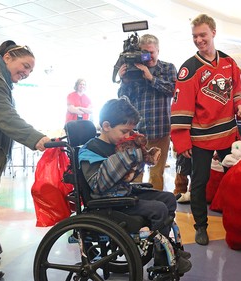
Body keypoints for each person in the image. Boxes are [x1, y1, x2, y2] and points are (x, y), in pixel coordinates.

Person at [78, 97, 191, 273]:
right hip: (106, 202)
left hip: (123, 195)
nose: (128, 136)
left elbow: (126, 176)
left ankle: (167, 248)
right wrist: (131, 156)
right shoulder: (90, 150)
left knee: (168, 198)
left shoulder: (117, 144)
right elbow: (99, 184)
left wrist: (141, 160)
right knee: (159, 209)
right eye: (124, 131)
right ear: (106, 126)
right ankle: (161, 259)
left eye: (131, 131)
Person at [170, 14, 241, 245]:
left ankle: (239, 220)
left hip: (228, 133)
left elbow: (237, 90)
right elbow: (180, 107)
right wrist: (182, 142)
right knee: (200, 183)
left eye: (203, 35)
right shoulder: (189, 68)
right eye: (195, 36)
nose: (199, 40)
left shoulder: (229, 62)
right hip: (201, 138)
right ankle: (200, 226)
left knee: (237, 179)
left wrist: (240, 105)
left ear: (213, 32)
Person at [0, 40, 51, 279]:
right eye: (25, 65)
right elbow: (3, 113)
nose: (26, 73)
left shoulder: (2, 80)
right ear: (8, 56)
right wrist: (37, 138)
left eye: (30, 71)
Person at [117, 34, 177, 191]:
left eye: (152, 52)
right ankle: (137, 210)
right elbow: (123, 100)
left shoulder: (168, 68)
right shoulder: (132, 70)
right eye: (145, 52)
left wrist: (151, 78)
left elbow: (174, 91)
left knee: (157, 174)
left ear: (158, 50)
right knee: (135, 174)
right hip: (137, 132)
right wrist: (124, 81)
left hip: (161, 130)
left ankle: (156, 207)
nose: (149, 56)